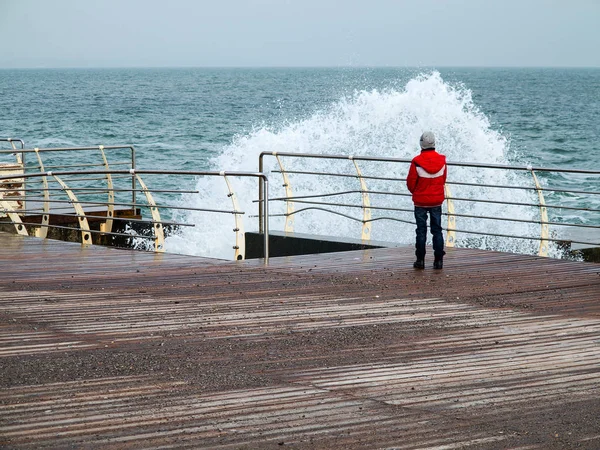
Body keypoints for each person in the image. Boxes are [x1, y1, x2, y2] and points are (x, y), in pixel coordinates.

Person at [406, 131, 447, 269]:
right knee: (437, 230)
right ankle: (439, 260)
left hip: (420, 202)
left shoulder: (417, 162)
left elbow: (411, 183)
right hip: (436, 201)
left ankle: (420, 260)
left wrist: (417, 193)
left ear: (421, 144)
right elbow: (443, 180)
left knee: (421, 230)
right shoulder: (442, 161)